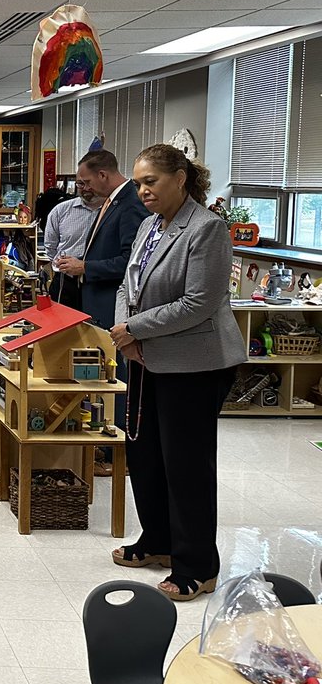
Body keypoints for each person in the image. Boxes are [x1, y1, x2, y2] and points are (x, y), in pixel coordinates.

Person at [107, 144, 246, 603]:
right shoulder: (149, 226)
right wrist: (130, 338)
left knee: (186, 465)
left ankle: (197, 565)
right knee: (145, 455)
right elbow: (129, 286)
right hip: (145, 359)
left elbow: (198, 304)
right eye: (139, 182)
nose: (142, 190)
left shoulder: (206, 229)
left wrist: (134, 330)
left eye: (151, 181)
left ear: (181, 178)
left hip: (194, 365)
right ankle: (159, 541)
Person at [53, 150, 147, 330]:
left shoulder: (131, 204)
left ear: (102, 175)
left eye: (87, 182)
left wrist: (85, 267)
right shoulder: (111, 200)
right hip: (93, 299)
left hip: (110, 302)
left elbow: (132, 261)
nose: (85, 188)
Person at [44, 181, 104, 309]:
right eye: (81, 184)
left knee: (96, 326)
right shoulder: (61, 210)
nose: (86, 188)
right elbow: (50, 247)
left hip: (100, 280)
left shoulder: (112, 210)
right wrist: (65, 264)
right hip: (66, 281)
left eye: (90, 183)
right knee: (62, 324)